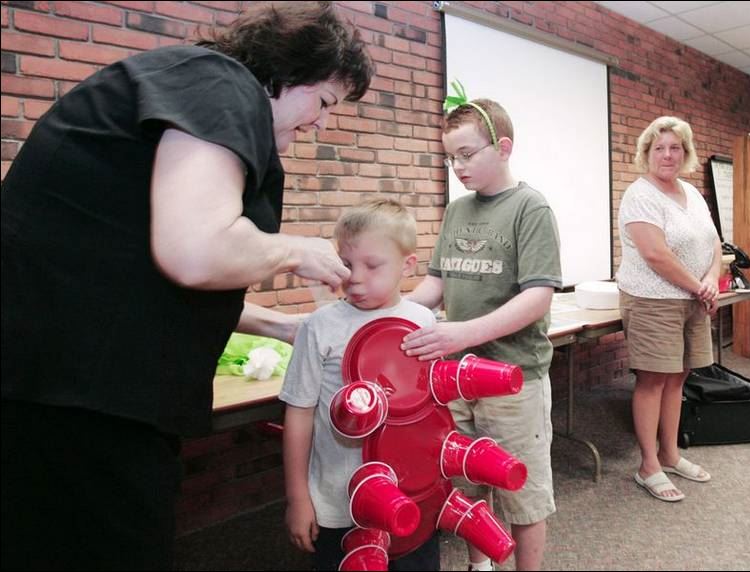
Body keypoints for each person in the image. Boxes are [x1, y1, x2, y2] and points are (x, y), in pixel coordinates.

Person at [0, 3, 373, 569]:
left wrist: (275, 324)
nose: (321, 124)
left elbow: (132, 266)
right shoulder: (218, 82)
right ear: (284, 70)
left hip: (59, 389)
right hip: (80, 402)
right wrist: (297, 248)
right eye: (323, 102)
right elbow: (195, 252)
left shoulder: (187, 87)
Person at [401, 91, 562, 571]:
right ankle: (480, 565)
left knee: (522, 493)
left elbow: (538, 296)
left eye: (467, 154)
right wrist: (383, 310)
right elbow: (436, 283)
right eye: (451, 157)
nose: (458, 167)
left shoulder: (530, 208)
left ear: (504, 147)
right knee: (467, 484)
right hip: (454, 378)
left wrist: (461, 334)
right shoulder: (457, 210)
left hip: (513, 379)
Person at [279, 199, 440, 571]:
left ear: (408, 264)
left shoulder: (422, 320)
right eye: (347, 264)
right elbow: (299, 413)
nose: (355, 277)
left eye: (373, 265)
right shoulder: (319, 326)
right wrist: (298, 497)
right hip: (339, 499)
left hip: (410, 493)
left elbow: (430, 409)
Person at [616, 116, 720, 503]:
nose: (667, 154)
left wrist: (711, 278)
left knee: (678, 378)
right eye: (659, 147)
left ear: (685, 153)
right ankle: (647, 466)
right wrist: (701, 288)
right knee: (654, 381)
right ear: (647, 153)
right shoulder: (640, 194)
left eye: (675, 147)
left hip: (691, 300)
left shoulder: (692, 194)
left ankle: (670, 454)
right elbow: (655, 254)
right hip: (653, 301)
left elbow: (713, 244)